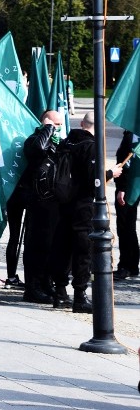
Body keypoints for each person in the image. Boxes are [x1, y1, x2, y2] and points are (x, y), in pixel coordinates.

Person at [50, 112, 122, 313]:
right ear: (100, 128)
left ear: (82, 124)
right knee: (83, 251)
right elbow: (93, 181)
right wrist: (110, 174)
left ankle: (60, 292)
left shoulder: (66, 143)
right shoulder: (90, 147)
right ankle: (80, 296)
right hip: (82, 205)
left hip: (62, 202)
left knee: (62, 247)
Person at [19, 110, 64, 303]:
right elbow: (38, 149)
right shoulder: (34, 140)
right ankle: (33, 287)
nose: (60, 128)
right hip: (38, 200)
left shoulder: (56, 143)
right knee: (37, 245)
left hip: (54, 202)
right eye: (57, 125)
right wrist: (48, 128)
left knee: (51, 246)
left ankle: (47, 283)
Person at [114, 130, 140, 281]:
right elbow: (122, 160)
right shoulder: (131, 135)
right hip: (130, 184)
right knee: (125, 225)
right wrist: (122, 187)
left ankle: (129, 265)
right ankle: (128, 265)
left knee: (126, 225)